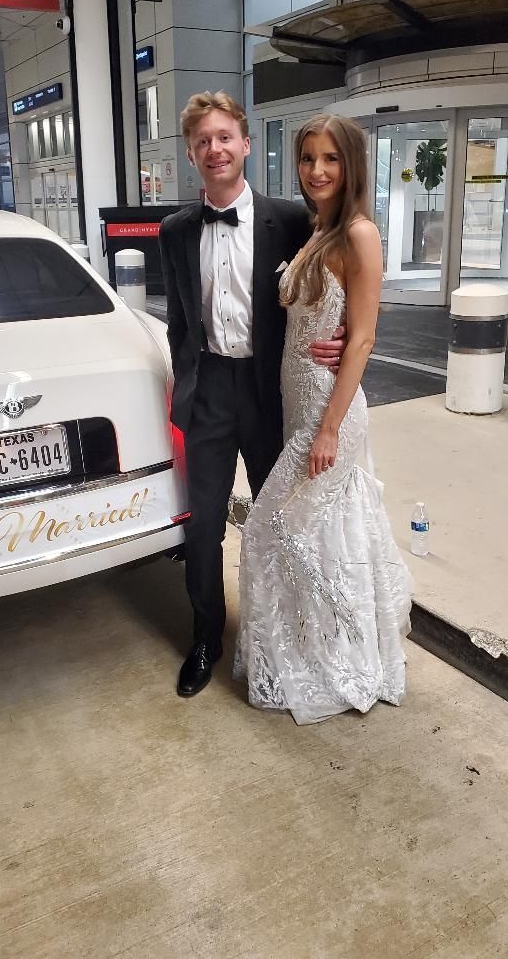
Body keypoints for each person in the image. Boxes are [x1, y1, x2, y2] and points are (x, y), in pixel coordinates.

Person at [159, 92, 345, 698]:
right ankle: (207, 638)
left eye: (224, 137)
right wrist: (184, 379)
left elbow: (339, 284)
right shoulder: (176, 231)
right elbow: (179, 320)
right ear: (192, 154)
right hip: (209, 389)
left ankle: (280, 634)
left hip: (271, 393)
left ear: (244, 142)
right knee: (205, 525)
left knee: (278, 520)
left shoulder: (291, 219)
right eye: (202, 142)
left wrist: (344, 340)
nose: (215, 149)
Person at [234, 114, 412, 724]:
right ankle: (324, 645)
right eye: (308, 158)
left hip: (326, 410)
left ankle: (334, 654)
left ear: (353, 165)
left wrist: (331, 426)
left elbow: (361, 338)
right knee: (324, 533)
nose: (316, 171)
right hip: (298, 400)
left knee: (271, 528)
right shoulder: (319, 230)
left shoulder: (359, 233)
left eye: (330, 159)